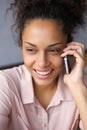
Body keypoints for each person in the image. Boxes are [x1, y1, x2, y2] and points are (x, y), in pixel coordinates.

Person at [0, 0, 87, 130]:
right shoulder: (5, 83)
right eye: (31, 50)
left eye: (53, 50)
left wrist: (77, 87)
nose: (42, 63)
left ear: (69, 47)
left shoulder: (81, 85)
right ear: (21, 46)